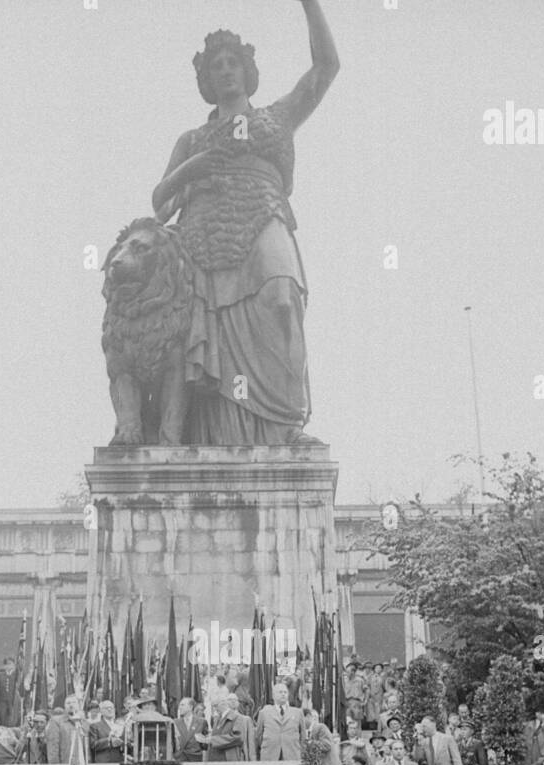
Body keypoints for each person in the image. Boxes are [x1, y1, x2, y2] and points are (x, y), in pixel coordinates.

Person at [151, 6, 339, 445]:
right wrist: (191, 168)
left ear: (247, 69)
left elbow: (327, 67)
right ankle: (224, 433)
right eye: (215, 66)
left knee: (282, 299)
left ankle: (285, 424)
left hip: (264, 215)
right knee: (216, 332)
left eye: (232, 62)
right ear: (206, 79)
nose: (225, 70)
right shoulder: (192, 139)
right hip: (205, 235)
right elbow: (160, 204)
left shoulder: (278, 116)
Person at [255, 684, 305, 765]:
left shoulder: (297, 712)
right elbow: (258, 736)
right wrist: (268, 747)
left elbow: (303, 737)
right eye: (279, 692)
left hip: (291, 757)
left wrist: (298, 753)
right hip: (270, 757)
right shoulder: (264, 712)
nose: (283, 694)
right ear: (273, 696)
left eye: (285, 692)